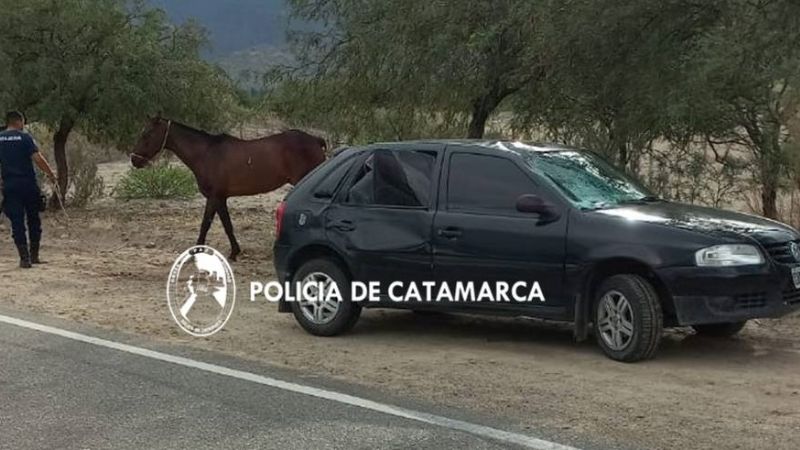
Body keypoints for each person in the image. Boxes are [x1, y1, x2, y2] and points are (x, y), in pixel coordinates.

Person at [0, 111, 57, 268]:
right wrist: (51, 175)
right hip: (28, 185)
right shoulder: (25, 138)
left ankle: (24, 258)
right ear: (19, 122)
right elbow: (38, 159)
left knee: (17, 222)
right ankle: (34, 255)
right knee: (33, 219)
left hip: (10, 186)